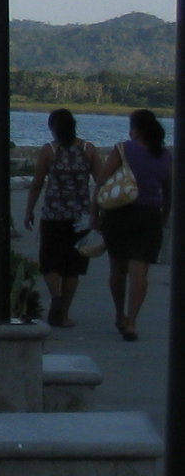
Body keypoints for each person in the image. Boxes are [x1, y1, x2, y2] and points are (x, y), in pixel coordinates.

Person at [97, 108, 170, 342]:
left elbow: (103, 180)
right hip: (149, 215)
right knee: (140, 271)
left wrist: (93, 211)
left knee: (118, 269)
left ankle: (119, 314)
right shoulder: (165, 155)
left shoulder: (123, 149)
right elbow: (169, 191)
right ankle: (132, 321)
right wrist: (164, 216)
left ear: (135, 129)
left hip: (119, 214)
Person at [22, 108, 98, 328]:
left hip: (53, 214)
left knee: (50, 262)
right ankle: (64, 314)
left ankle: (55, 295)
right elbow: (101, 182)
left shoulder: (49, 151)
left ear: (53, 128)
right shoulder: (88, 150)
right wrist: (97, 212)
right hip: (80, 217)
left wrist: (29, 211)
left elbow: (37, 183)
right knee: (73, 267)